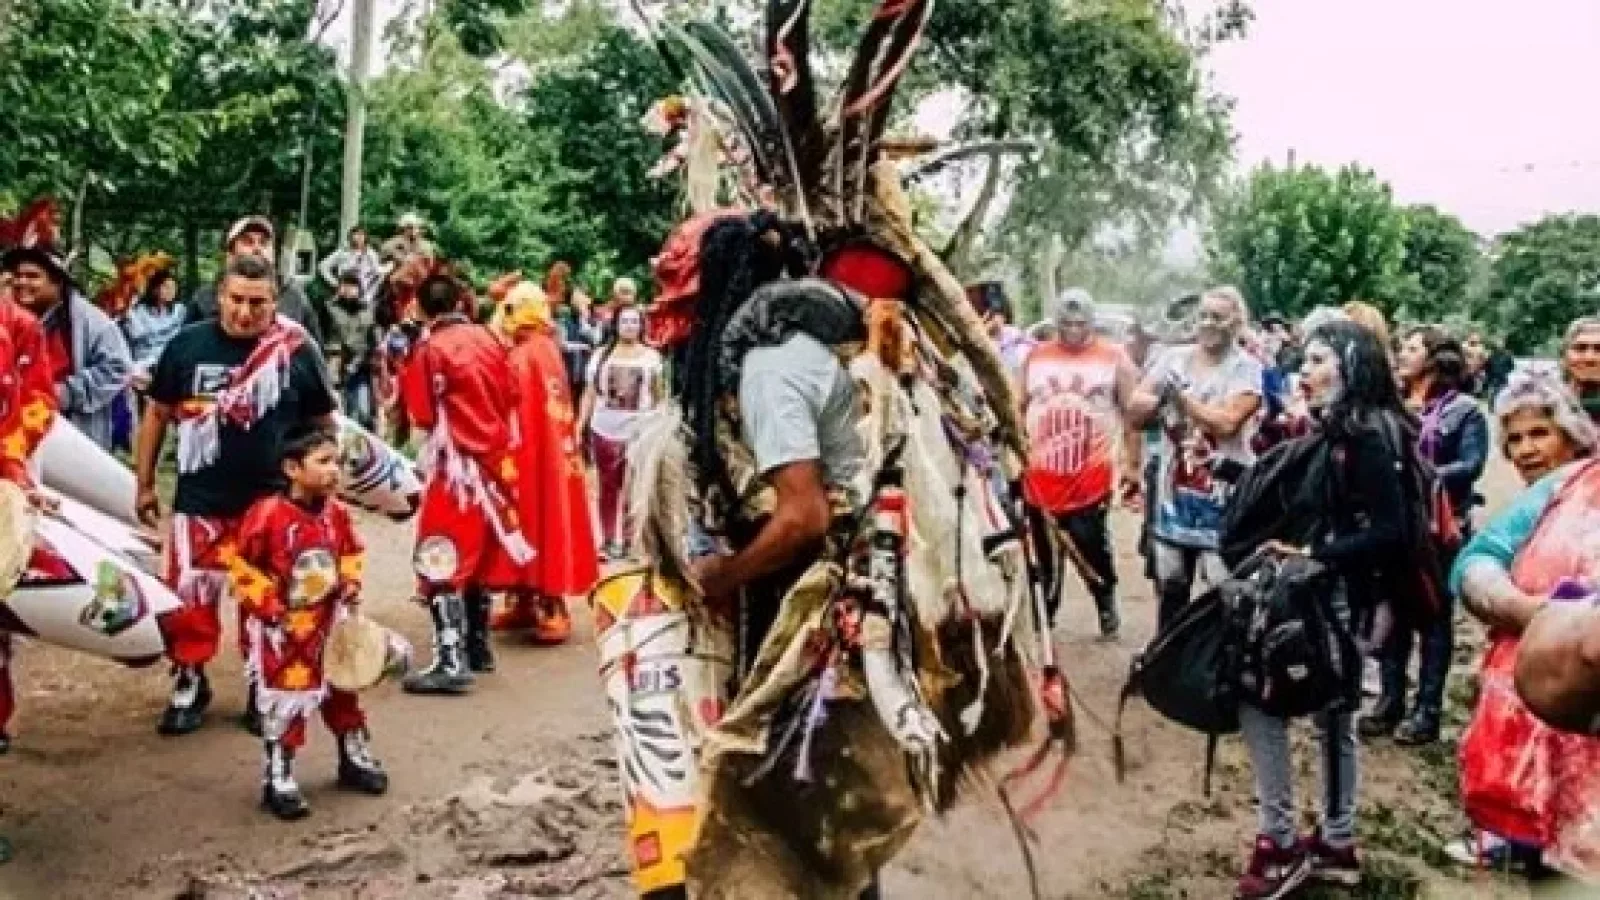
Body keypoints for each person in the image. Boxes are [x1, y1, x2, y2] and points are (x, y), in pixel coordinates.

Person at [1236, 319, 1415, 898]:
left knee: (1283, 705)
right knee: (1319, 715)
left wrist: (1314, 554)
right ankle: (1328, 840)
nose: (1304, 372)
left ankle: (1287, 843)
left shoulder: (1365, 436)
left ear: (1352, 366)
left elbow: (1391, 531)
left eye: (1318, 361)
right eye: (1304, 361)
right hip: (1329, 594)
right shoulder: (1341, 429)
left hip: (1343, 599)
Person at [137, 253, 339, 736]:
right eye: (236, 300)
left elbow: (323, 425)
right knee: (189, 600)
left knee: (269, 602)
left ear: (275, 302)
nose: (245, 312)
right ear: (219, 297)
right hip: (201, 500)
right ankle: (189, 680)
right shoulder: (186, 345)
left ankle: (261, 684)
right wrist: (143, 484)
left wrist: (321, 488)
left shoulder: (296, 351)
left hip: (272, 506)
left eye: (257, 303)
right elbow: (157, 415)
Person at [1443, 372, 1595, 874]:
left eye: (1539, 435)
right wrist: (1532, 613)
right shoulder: (1559, 491)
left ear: (1572, 434)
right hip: (1541, 695)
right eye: (1516, 439)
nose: (1527, 449)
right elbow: (1474, 562)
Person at [228, 423, 388, 820]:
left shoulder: (338, 514)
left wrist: (350, 583)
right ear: (292, 469)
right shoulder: (266, 515)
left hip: (330, 623)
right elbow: (241, 567)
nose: (335, 470)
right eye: (324, 461)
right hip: (285, 630)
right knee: (287, 702)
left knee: (344, 690)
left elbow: (351, 553)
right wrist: (270, 608)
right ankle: (278, 775)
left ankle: (353, 755)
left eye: (337, 462)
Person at [397, 273, 531, 694]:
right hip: (494, 463)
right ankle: (477, 645)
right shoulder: (490, 339)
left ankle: (451, 659)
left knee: (441, 556)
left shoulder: (430, 348)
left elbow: (421, 414)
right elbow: (513, 394)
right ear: (460, 302)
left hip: (457, 469)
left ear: (421, 308)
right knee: (475, 555)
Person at [1364, 330, 1488, 746]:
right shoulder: (1392, 405)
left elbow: (1471, 464)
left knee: (1433, 616)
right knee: (1393, 611)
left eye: (1413, 349)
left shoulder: (1465, 411)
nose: (1402, 354)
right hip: (1394, 526)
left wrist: (1419, 475)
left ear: (1434, 359)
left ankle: (1428, 710)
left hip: (1439, 529)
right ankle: (1391, 700)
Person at [1130, 286, 1263, 628]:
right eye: (1203, 315)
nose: (1207, 324)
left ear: (1236, 323)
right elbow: (1135, 409)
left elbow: (1228, 423)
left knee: (1222, 584)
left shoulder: (1246, 368)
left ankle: (1222, 657)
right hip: (1174, 495)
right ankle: (1169, 653)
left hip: (1223, 494)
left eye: (1217, 317)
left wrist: (1181, 399)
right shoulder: (1173, 359)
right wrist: (1158, 402)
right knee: (1171, 582)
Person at [1020, 287, 1148, 638]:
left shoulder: (1114, 357)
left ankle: (1104, 597)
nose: (1074, 330)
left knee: (1089, 543)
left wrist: (1132, 465)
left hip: (1090, 474)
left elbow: (1133, 414)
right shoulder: (1035, 357)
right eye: (1067, 324)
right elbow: (1018, 405)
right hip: (1040, 475)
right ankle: (1045, 613)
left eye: (1080, 323)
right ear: (1056, 323)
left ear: (1092, 322)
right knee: (1043, 551)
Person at [492, 284, 599, 643]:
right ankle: (522, 597)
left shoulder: (530, 353)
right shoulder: (537, 349)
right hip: (532, 454)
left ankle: (552, 603)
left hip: (538, 456)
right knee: (525, 521)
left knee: (542, 519)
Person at [1, 239, 133, 448]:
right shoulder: (10, 317)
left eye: (33, 276)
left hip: (72, 430)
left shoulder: (93, 322)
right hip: (15, 430)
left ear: (57, 282)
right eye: (18, 275)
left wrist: (64, 392)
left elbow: (118, 368)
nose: (21, 282)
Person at [577, 305, 665, 561]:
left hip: (639, 431)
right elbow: (589, 393)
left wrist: (660, 424)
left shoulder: (652, 357)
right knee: (607, 487)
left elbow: (658, 394)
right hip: (604, 429)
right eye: (624, 321)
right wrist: (580, 423)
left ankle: (629, 541)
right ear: (615, 325)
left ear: (641, 325)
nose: (629, 326)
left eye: (634, 321)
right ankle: (607, 541)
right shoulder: (600, 356)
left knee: (633, 488)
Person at [186, 217, 323, 344]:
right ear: (230, 254)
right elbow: (186, 347)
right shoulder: (204, 298)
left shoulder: (294, 297)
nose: (257, 249)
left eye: (264, 243)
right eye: (248, 242)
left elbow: (315, 351)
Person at [325, 274, 380, 430]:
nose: (348, 289)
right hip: (335, 368)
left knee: (363, 413)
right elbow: (320, 335)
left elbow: (373, 340)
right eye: (345, 285)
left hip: (360, 368)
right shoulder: (328, 308)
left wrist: (369, 359)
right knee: (341, 415)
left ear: (359, 289)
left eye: (352, 285)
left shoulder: (368, 310)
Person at [124, 269, 187, 392]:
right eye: (166, 287)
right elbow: (136, 335)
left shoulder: (179, 310)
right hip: (146, 360)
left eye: (173, 287)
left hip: (171, 360)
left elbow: (183, 337)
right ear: (155, 289)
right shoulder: (139, 311)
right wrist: (129, 311)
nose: (171, 291)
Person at [318, 225, 385, 306]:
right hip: (343, 285)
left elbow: (378, 272)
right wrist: (334, 283)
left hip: (362, 289)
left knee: (380, 274)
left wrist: (369, 295)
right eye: (356, 234)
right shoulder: (342, 252)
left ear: (365, 237)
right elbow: (322, 266)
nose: (359, 237)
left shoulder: (371, 253)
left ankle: (362, 299)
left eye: (362, 234)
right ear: (350, 237)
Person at [1559, 317, 1600, 423]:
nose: (1590, 358)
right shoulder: (1543, 407)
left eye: (1599, 349)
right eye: (1580, 348)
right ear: (1564, 356)